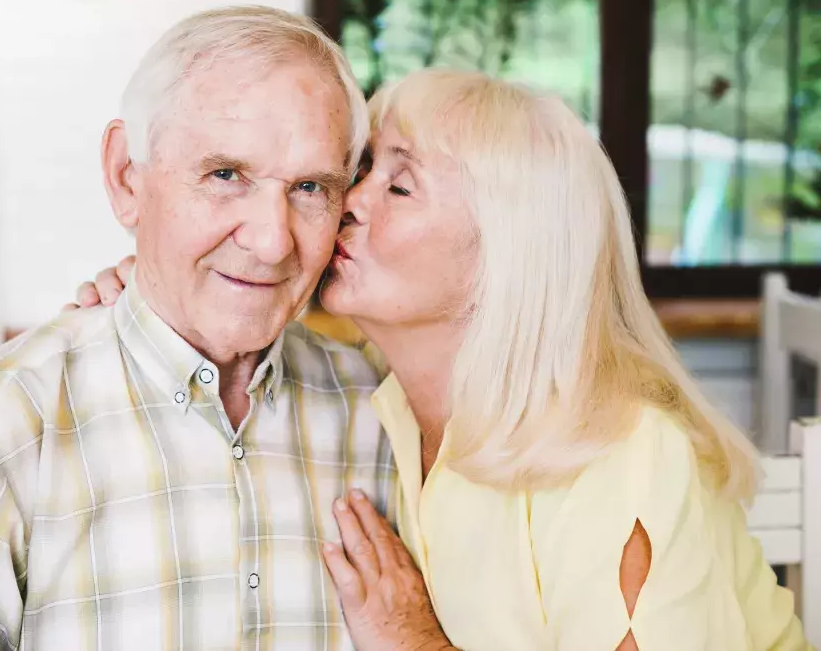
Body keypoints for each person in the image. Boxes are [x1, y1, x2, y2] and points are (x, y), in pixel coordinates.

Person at [79, 69, 812, 650]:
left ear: (507, 255)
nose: (347, 203)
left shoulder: (616, 454)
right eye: (358, 170)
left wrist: (414, 644)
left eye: (398, 184)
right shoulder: (383, 400)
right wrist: (151, 296)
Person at [0, 7, 399, 650]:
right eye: (225, 176)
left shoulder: (378, 409)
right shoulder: (0, 420)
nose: (272, 242)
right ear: (126, 175)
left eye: (308, 188)